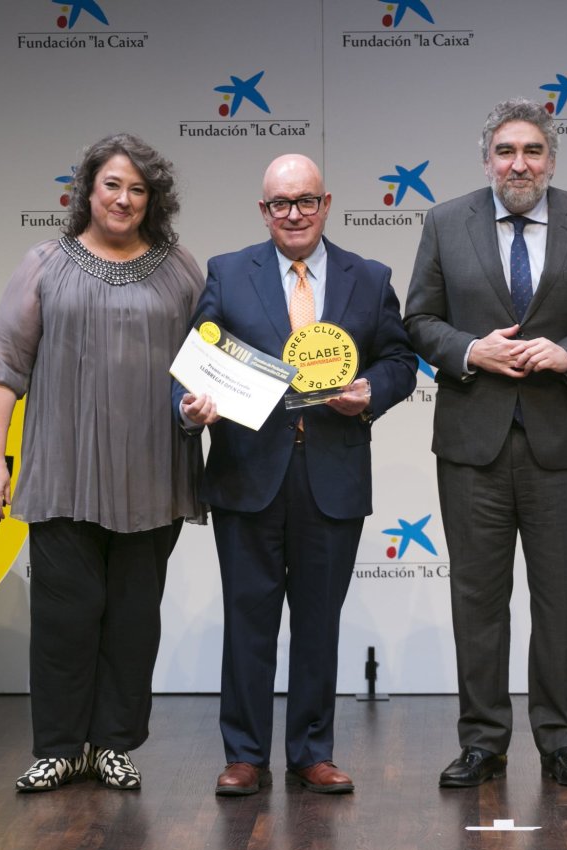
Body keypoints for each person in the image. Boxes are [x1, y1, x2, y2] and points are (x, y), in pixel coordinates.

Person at [404, 99, 567, 788]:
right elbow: (418, 319)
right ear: (487, 161)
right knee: (477, 599)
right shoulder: (444, 222)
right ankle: (482, 742)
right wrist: (469, 349)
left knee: (561, 600)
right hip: (471, 444)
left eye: (532, 151)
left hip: (560, 443)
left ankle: (565, 742)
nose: (519, 164)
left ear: (551, 160)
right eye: (506, 151)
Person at [177, 154, 416, 796]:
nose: (294, 214)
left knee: (318, 624)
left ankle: (313, 752)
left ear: (326, 204)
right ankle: (244, 756)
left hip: (332, 479)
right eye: (280, 203)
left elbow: (400, 360)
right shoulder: (228, 273)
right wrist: (191, 408)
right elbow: (195, 361)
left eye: (306, 200)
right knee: (247, 621)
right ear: (264, 210)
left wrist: (371, 391)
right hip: (247, 476)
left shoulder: (370, 277)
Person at [0, 133, 205, 793]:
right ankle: (58, 748)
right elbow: (5, 365)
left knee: (132, 620)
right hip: (63, 471)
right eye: (112, 185)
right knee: (64, 618)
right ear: (87, 190)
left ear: (153, 199)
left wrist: (207, 402)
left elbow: (210, 360)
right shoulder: (44, 264)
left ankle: (112, 746)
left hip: (152, 474)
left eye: (138, 189)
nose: (124, 199)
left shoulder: (181, 269)